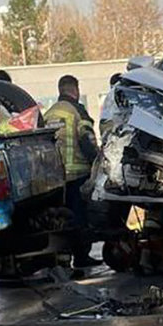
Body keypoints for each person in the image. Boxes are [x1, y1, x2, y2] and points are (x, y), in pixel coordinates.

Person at [44, 75, 101, 268]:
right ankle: (81, 257)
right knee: (80, 217)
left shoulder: (49, 113)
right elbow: (87, 140)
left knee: (62, 219)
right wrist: (98, 162)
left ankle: (63, 260)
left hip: (56, 179)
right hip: (78, 174)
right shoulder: (78, 110)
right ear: (75, 90)